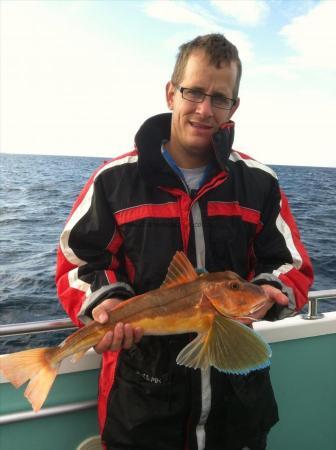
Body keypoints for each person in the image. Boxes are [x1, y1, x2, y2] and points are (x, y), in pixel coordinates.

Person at [56, 34, 313, 450]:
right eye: (193, 92)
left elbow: (290, 265)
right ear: (171, 93)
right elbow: (79, 259)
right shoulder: (116, 180)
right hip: (143, 405)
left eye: (220, 98)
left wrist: (271, 291)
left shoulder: (259, 182)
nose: (205, 109)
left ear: (234, 106)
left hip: (238, 408)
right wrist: (104, 300)